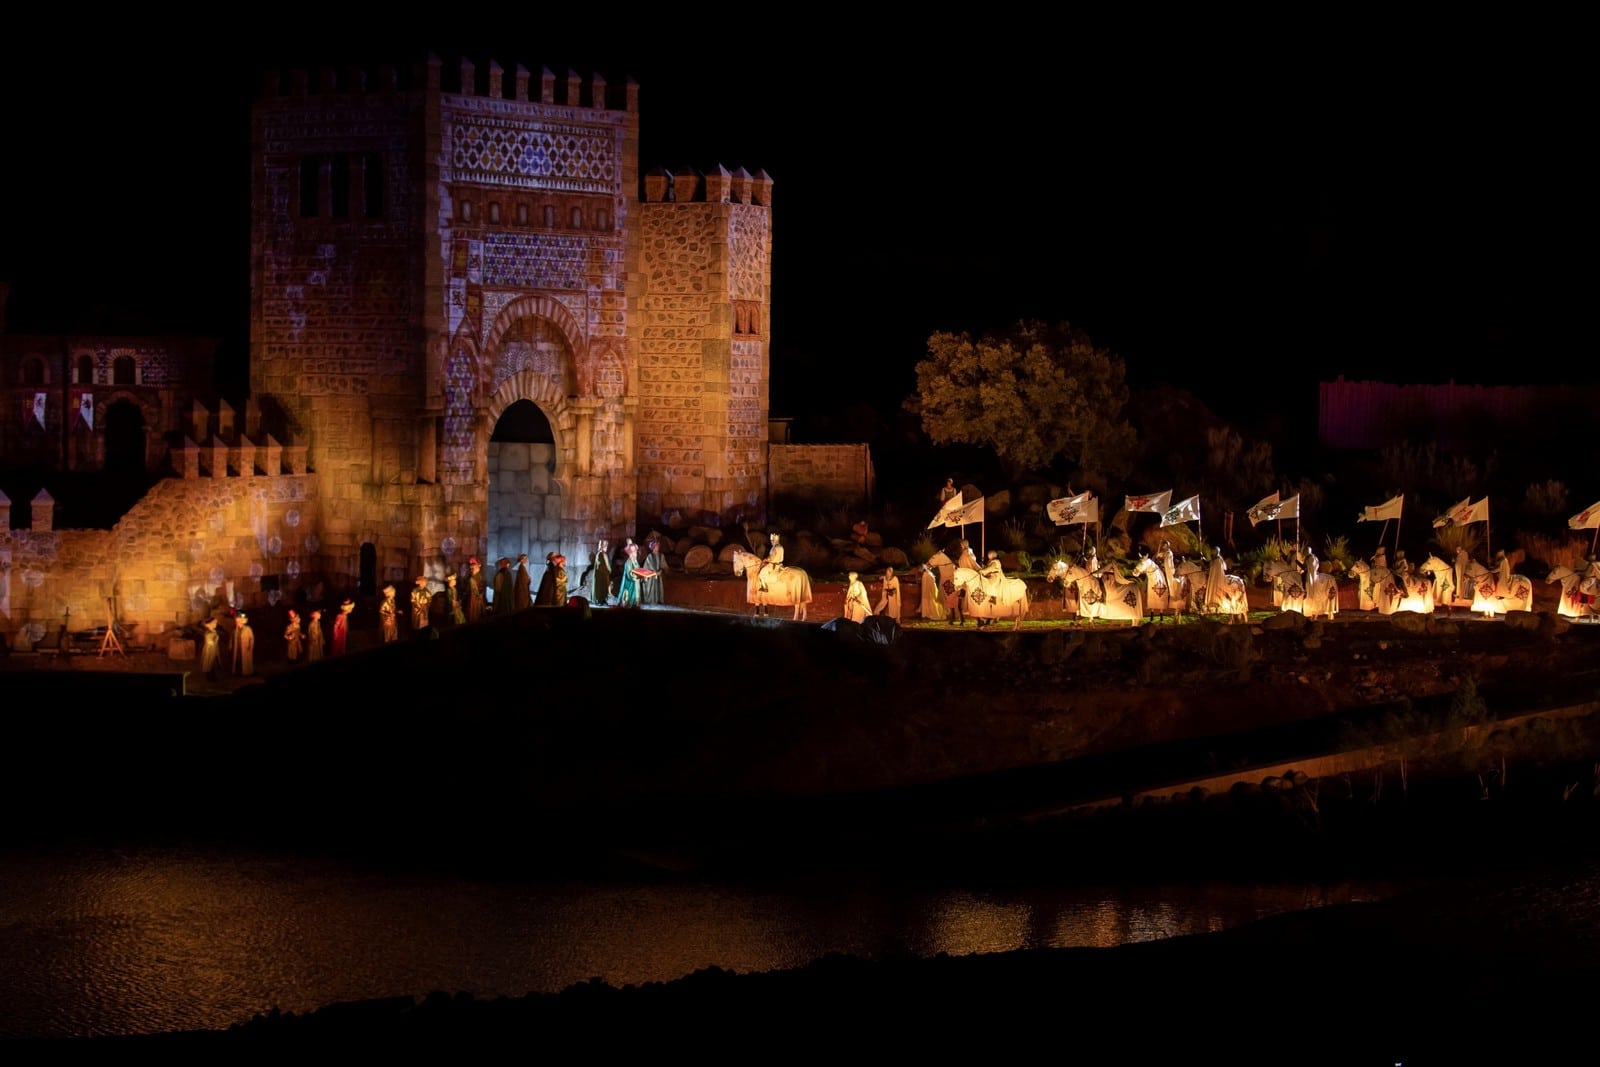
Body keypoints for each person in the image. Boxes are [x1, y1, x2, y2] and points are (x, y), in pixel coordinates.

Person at [919, 557, 947, 622]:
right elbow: (925, 585)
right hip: (929, 592)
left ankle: (930, 613)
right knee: (931, 601)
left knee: (936, 601)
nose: (931, 567)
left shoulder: (929, 573)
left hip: (933, 590)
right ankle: (928, 613)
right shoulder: (926, 574)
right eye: (930, 565)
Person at [640, 537, 666, 606]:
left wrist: (661, 571)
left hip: (659, 576)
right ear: (653, 547)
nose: (658, 548)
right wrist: (651, 573)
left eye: (658, 546)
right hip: (651, 576)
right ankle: (651, 600)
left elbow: (664, 566)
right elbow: (646, 568)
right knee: (651, 588)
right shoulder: (649, 557)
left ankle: (659, 600)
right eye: (656, 546)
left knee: (659, 587)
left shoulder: (661, 556)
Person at [615, 539, 641, 607]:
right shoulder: (628, 562)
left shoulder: (635, 561)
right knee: (630, 595)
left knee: (636, 594)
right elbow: (629, 574)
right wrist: (636, 577)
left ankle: (635, 604)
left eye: (635, 552)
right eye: (633, 552)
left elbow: (638, 569)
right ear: (630, 553)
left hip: (636, 583)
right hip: (630, 583)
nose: (635, 554)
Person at [590, 539, 612, 606]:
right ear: (602, 547)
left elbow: (607, 564)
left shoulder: (604, 554)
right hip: (600, 575)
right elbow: (599, 565)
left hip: (604, 574)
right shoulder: (599, 554)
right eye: (605, 547)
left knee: (605, 587)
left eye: (606, 547)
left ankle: (604, 599)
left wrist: (608, 570)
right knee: (600, 587)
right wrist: (606, 570)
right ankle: (599, 600)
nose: (606, 548)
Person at [232, 611, 255, 675]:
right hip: (237, 648)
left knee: (245, 660)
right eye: (238, 620)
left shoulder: (248, 629)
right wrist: (230, 646)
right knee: (238, 660)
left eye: (240, 619)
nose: (239, 621)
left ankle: (247, 672)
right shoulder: (235, 630)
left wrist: (250, 646)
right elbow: (232, 639)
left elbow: (251, 638)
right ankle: (238, 672)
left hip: (245, 648)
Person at [464, 558, 487, 622]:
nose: (471, 567)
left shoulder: (478, 576)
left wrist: (480, 594)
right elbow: (473, 589)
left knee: (477, 609)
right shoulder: (472, 578)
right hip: (474, 597)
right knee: (473, 609)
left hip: (477, 596)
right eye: (471, 565)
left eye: (473, 565)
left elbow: (479, 586)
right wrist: (478, 594)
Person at [200, 616, 221, 680]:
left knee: (213, 663)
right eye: (214, 623)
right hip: (209, 650)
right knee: (209, 662)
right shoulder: (208, 633)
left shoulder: (213, 631)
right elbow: (209, 642)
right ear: (208, 625)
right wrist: (215, 639)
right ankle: (209, 676)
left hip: (214, 649)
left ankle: (212, 675)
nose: (215, 624)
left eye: (216, 623)